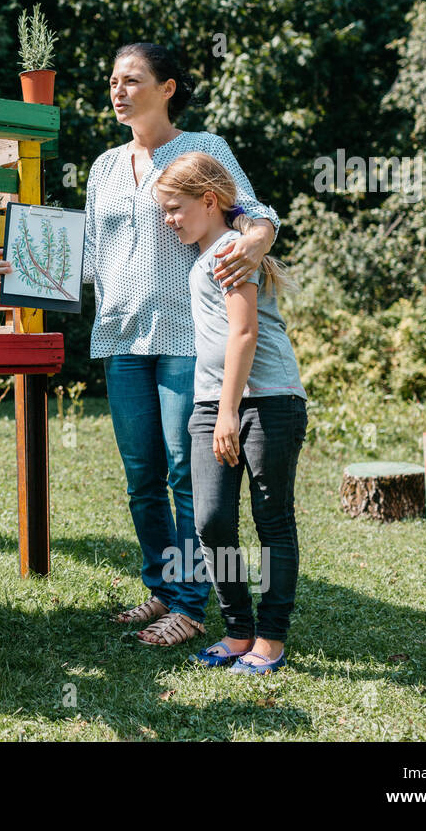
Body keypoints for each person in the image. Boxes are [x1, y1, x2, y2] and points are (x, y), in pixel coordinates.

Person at [0, 42, 281, 648]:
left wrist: (256, 241)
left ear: (168, 87)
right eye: (112, 80)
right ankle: (161, 585)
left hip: (185, 336)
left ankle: (190, 602)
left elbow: (255, 213)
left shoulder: (202, 151)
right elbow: (94, 261)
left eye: (132, 80)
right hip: (120, 335)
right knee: (141, 476)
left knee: (185, 472)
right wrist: (25, 264)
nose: (118, 91)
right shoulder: (103, 167)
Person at [151, 151, 307, 674]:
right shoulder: (204, 254)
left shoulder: (231, 252)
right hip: (212, 402)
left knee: (271, 520)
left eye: (175, 208)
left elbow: (244, 332)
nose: (169, 220)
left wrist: (227, 413)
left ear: (209, 201)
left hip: (266, 402)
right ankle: (237, 630)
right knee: (213, 521)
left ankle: (271, 638)